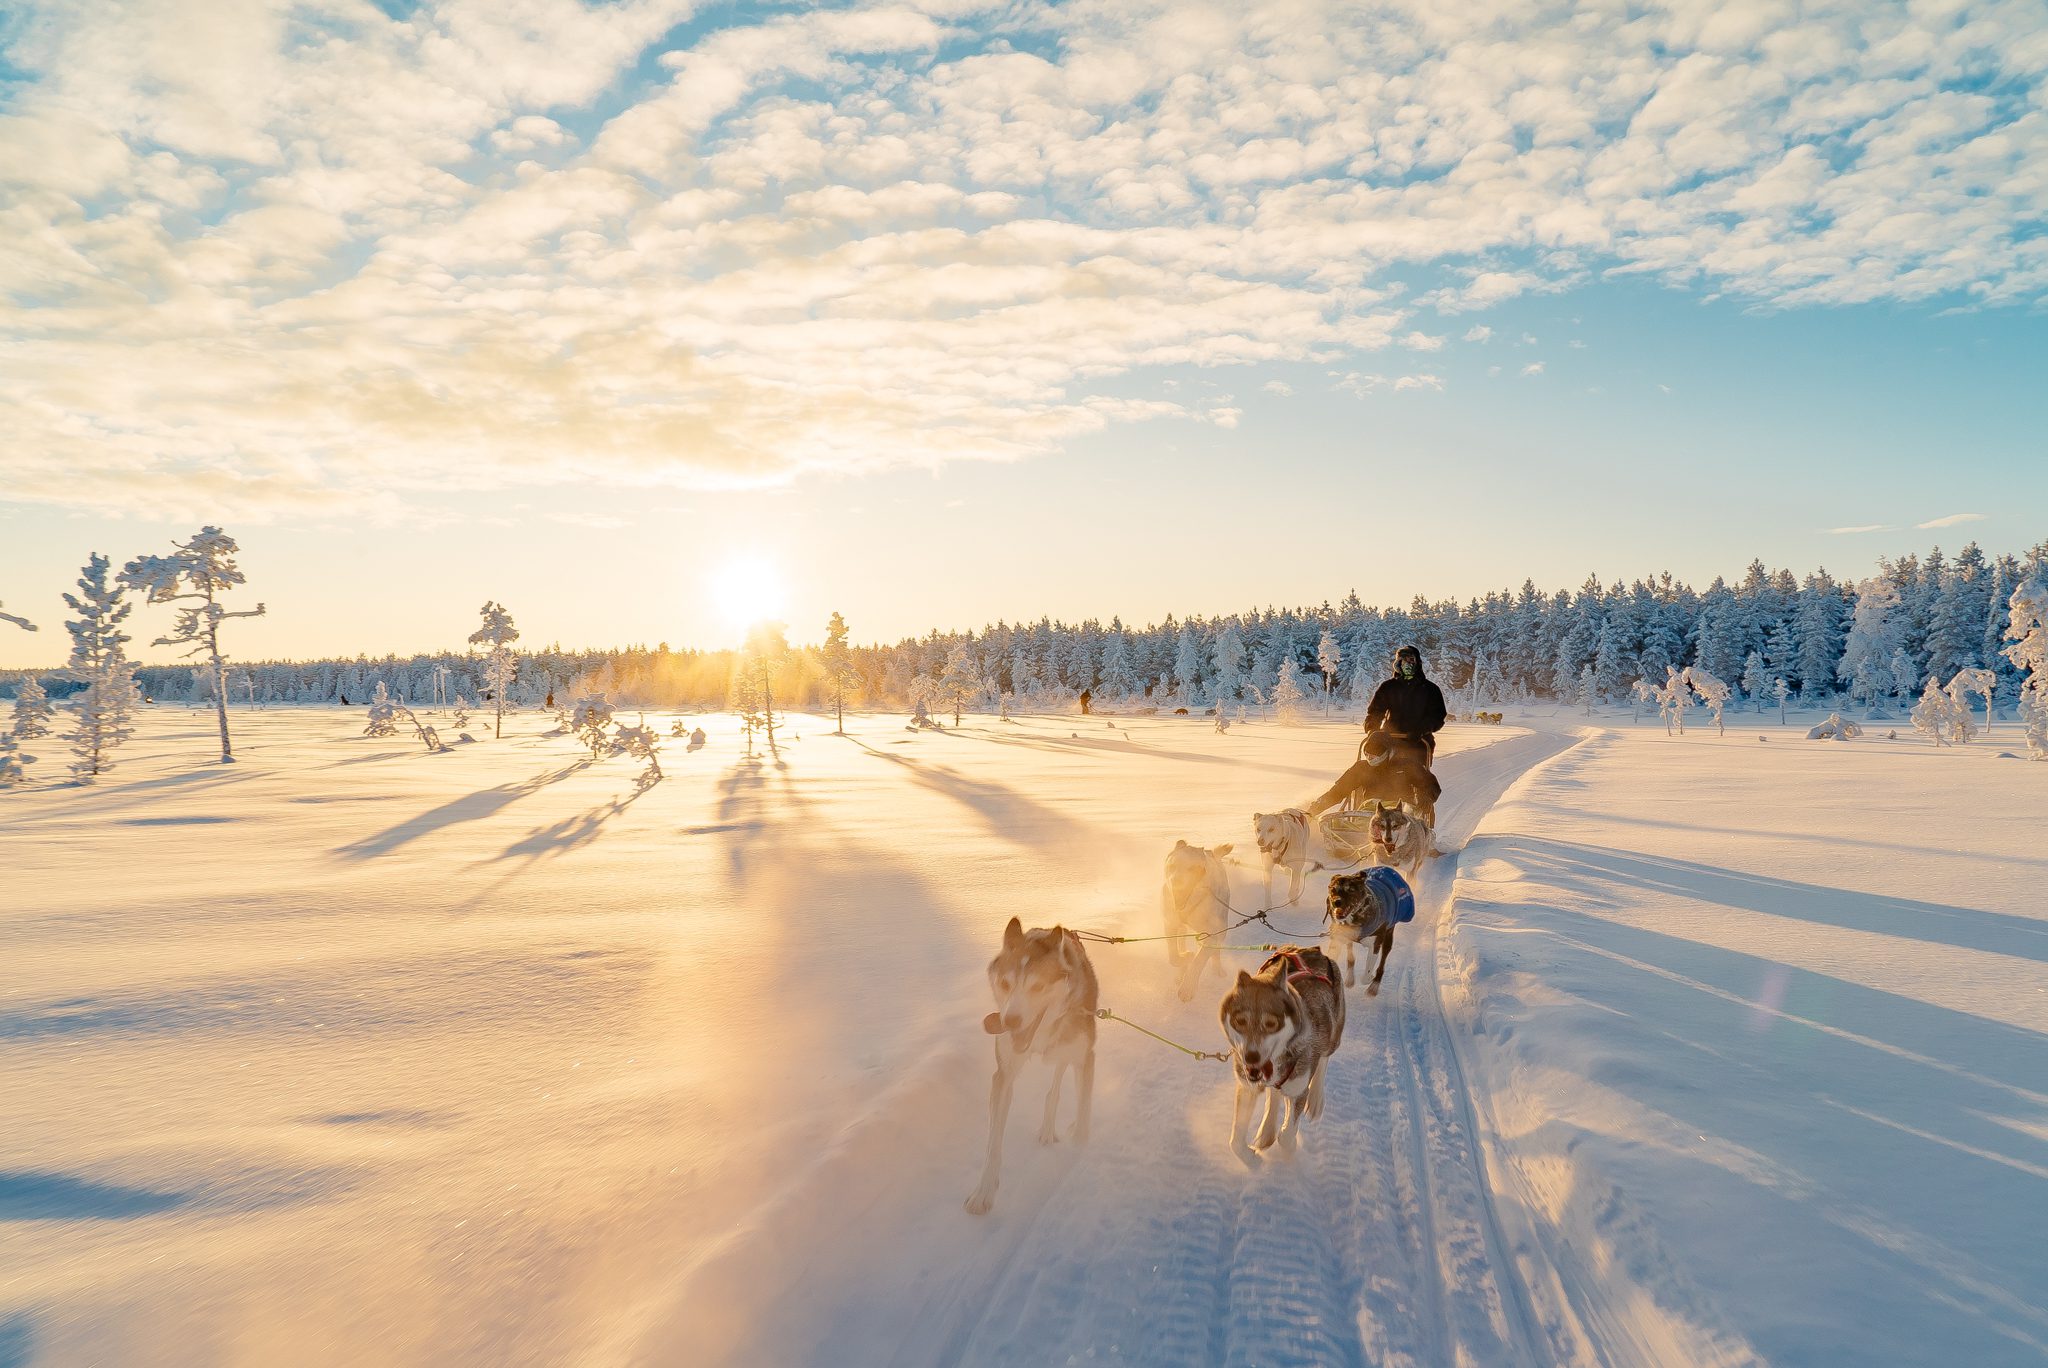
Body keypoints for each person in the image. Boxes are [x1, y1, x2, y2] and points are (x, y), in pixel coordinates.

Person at [1364, 644, 1446, 763]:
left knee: (1416, 773)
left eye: (1411, 660)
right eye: (1403, 660)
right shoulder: (1388, 687)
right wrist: (1372, 728)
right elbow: (1376, 711)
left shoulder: (1430, 689)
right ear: (1398, 664)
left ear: (1418, 663)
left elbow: (1437, 717)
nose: (1408, 664)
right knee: (1370, 768)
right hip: (1389, 738)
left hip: (1418, 741)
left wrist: (1421, 729)